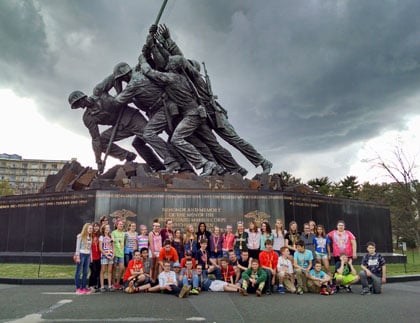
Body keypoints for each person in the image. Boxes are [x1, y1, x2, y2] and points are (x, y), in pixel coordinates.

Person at [149, 25, 273, 174]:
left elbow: (180, 59)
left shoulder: (195, 77)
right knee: (215, 146)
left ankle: (262, 161)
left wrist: (167, 43)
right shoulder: (184, 79)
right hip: (204, 115)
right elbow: (172, 60)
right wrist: (159, 42)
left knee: (234, 140)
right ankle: (234, 169)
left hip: (215, 114)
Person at [68, 90, 164, 173]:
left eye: (78, 103)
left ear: (82, 98)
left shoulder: (100, 95)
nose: (80, 106)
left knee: (149, 136)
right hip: (120, 127)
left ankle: (173, 160)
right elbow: (95, 139)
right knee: (102, 141)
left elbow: (119, 92)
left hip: (131, 118)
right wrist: (98, 160)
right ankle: (132, 157)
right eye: (77, 106)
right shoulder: (88, 118)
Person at [74, 223, 93, 294]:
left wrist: (91, 256)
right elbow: (77, 247)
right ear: (86, 229)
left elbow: (90, 248)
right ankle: (78, 288)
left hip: (87, 255)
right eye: (89, 228)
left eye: (91, 228)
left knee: (85, 272)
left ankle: (84, 287)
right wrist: (77, 256)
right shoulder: (80, 236)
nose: (91, 230)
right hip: (81, 255)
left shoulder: (90, 237)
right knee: (78, 272)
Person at [99, 224, 114, 292]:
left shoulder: (111, 236)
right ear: (103, 229)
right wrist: (106, 255)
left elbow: (113, 246)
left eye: (108, 228)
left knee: (110, 271)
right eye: (106, 228)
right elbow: (100, 248)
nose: (108, 229)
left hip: (111, 255)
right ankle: (102, 286)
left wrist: (113, 254)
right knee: (103, 270)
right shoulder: (101, 237)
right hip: (104, 256)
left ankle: (109, 285)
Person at [112, 220, 125, 289]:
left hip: (121, 253)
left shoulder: (123, 234)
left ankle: (118, 283)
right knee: (114, 268)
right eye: (120, 224)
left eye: (122, 224)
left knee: (122, 268)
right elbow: (112, 242)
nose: (121, 225)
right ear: (117, 225)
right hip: (115, 253)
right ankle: (113, 283)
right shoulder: (113, 233)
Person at [88, 222, 101, 292]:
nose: (96, 228)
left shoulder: (99, 235)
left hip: (98, 256)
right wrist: (91, 257)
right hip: (92, 256)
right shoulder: (90, 235)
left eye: (97, 226)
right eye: (95, 226)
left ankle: (96, 285)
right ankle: (91, 285)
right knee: (93, 271)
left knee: (98, 271)